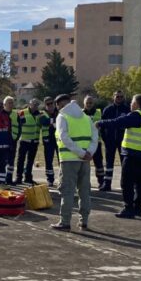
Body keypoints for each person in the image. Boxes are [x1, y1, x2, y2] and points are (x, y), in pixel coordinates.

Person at [95, 94, 141, 219]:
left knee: (127, 182)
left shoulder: (137, 115)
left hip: (133, 154)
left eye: (132, 102)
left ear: (136, 104)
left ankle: (129, 208)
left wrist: (101, 123)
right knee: (139, 182)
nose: (130, 104)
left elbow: (118, 122)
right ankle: (137, 208)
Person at [51, 94, 98, 231]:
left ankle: (65, 221)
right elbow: (95, 136)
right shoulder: (86, 117)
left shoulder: (62, 117)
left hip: (69, 160)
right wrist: (89, 152)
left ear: (60, 104)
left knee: (67, 191)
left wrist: (80, 153)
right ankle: (84, 221)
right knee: (84, 191)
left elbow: (64, 137)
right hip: (85, 161)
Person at [98, 91, 129, 191]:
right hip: (110, 140)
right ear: (113, 97)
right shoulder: (108, 109)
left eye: (121, 96)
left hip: (123, 141)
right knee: (109, 163)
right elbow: (102, 125)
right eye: (117, 96)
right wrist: (105, 138)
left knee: (124, 163)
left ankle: (125, 184)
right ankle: (107, 183)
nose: (119, 98)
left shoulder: (127, 109)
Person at [15, 98, 45, 185]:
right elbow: (17, 124)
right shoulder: (22, 113)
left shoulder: (40, 114)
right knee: (21, 160)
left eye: (36, 105)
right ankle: (18, 178)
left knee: (30, 161)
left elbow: (45, 123)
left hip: (34, 141)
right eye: (33, 104)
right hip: (24, 140)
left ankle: (28, 177)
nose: (35, 106)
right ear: (29, 104)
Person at [82, 95, 105, 188]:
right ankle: (84, 182)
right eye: (87, 103)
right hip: (84, 143)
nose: (89, 104)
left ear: (93, 103)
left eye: (90, 103)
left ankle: (101, 181)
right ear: (84, 103)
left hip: (96, 142)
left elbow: (103, 126)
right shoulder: (81, 113)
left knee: (98, 163)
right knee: (83, 163)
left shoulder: (99, 113)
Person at [40, 97, 59, 187]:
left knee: (61, 160)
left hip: (59, 139)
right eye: (48, 104)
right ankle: (50, 179)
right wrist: (55, 121)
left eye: (51, 103)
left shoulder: (59, 112)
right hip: (48, 140)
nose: (50, 105)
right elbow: (44, 121)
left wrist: (51, 122)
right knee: (48, 160)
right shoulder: (42, 113)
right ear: (45, 105)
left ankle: (62, 178)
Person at [3, 96, 20, 184]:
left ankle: (9, 179)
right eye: (9, 103)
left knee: (11, 161)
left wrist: (16, 138)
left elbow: (19, 127)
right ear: (4, 104)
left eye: (12, 103)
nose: (11, 104)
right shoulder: (1, 113)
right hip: (3, 141)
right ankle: (0, 179)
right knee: (1, 161)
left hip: (12, 141)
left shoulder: (15, 114)